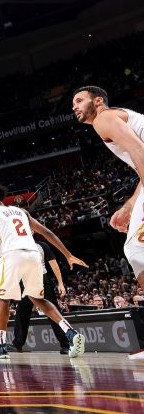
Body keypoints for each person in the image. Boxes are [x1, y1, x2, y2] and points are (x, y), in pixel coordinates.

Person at [0, 182, 87, 360]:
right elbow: (47, 232)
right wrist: (68, 254)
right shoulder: (22, 212)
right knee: (38, 299)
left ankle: (1, 347)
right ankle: (70, 332)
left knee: (3, 299)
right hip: (33, 255)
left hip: (12, 255)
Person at [71, 87, 144, 304]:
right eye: (73, 104)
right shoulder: (117, 118)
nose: (74, 107)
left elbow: (139, 150)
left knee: (137, 250)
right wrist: (129, 207)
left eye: (79, 100)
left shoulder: (103, 118)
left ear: (98, 101)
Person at [11, 238, 70, 355]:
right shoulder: (16, 248)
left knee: (53, 311)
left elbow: (54, 264)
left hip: (42, 279)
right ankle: (17, 344)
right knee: (22, 312)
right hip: (25, 281)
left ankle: (66, 344)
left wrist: (60, 283)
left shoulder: (42, 245)